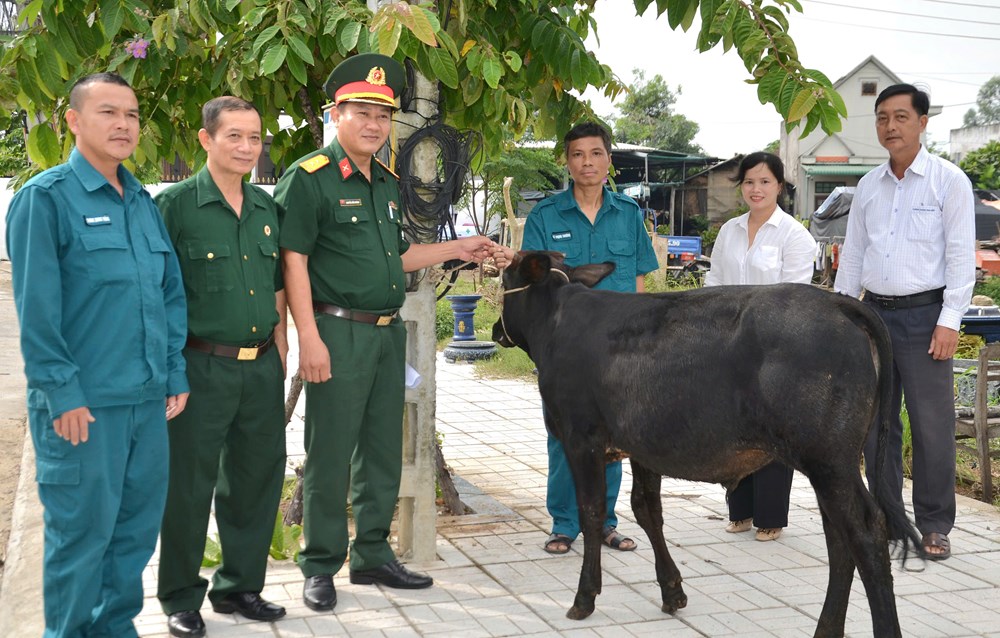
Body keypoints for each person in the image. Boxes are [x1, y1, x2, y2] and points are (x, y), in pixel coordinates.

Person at [274, 53, 498, 611]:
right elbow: (292, 260)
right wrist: (309, 338)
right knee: (329, 452)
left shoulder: (384, 181)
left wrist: (459, 248)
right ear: (335, 113)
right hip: (337, 331)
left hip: (384, 334)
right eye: (362, 112)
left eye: (382, 115)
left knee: (380, 450)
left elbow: (397, 258)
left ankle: (372, 553)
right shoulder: (311, 179)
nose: (374, 124)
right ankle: (321, 562)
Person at [5, 73, 190, 638]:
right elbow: (37, 313)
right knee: (80, 539)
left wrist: (173, 371)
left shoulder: (140, 201)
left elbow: (167, 292)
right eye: (108, 112)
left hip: (145, 404)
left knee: (132, 537)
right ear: (73, 120)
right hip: (84, 409)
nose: (123, 124)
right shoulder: (46, 199)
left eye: (132, 115)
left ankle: (115, 630)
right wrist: (61, 394)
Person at [154, 97, 288, 637]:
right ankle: (181, 598)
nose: (246, 147)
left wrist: (281, 352)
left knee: (256, 480)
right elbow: (159, 290)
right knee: (189, 485)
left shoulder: (266, 208)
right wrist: (169, 371)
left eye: (254, 138)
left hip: (261, 367)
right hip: (199, 367)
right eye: (234, 136)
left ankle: (240, 588)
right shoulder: (175, 206)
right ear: (207, 140)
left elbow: (278, 284)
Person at [497, 121, 659, 554]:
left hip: (620, 347)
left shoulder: (628, 214)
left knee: (617, 434)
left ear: (609, 159)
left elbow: (639, 280)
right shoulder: (547, 215)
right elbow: (528, 282)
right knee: (565, 435)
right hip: (565, 349)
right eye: (577, 155)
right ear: (566, 162)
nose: (586, 162)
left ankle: (605, 522)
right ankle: (565, 523)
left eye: (595, 153)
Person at [835, 83, 975, 561]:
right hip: (871, 315)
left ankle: (935, 525)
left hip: (925, 318)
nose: (889, 126)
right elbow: (853, 256)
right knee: (877, 425)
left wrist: (950, 319)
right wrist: (841, 314)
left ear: (922, 122)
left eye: (899, 117)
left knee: (932, 424)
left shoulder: (948, 180)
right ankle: (888, 518)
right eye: (881, 118)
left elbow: (960, 256)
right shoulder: (868, 186)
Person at [703, 151, 817, 542]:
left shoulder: (794, 235)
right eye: (750, 181)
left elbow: (796, 295)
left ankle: (770, 516)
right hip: (729, 345)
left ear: (779, 187)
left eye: (765, 181)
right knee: (734, 426)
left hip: (776, 349)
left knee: (772, 428)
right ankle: (740, 510)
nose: (756, 189)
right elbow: (715, 283)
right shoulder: (729, 231)